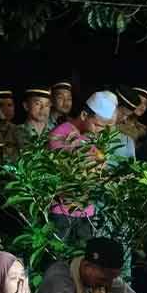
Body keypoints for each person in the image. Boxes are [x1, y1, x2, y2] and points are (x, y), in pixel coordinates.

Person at [48, 91, 118, 242]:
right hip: (62, 211)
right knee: (56, 263)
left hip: (86, 212)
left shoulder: (88, 138)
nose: (99, 131)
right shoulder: (60, 134)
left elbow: (100, 169)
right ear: (84, 115)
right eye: (97, 125)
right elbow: (68, 172)